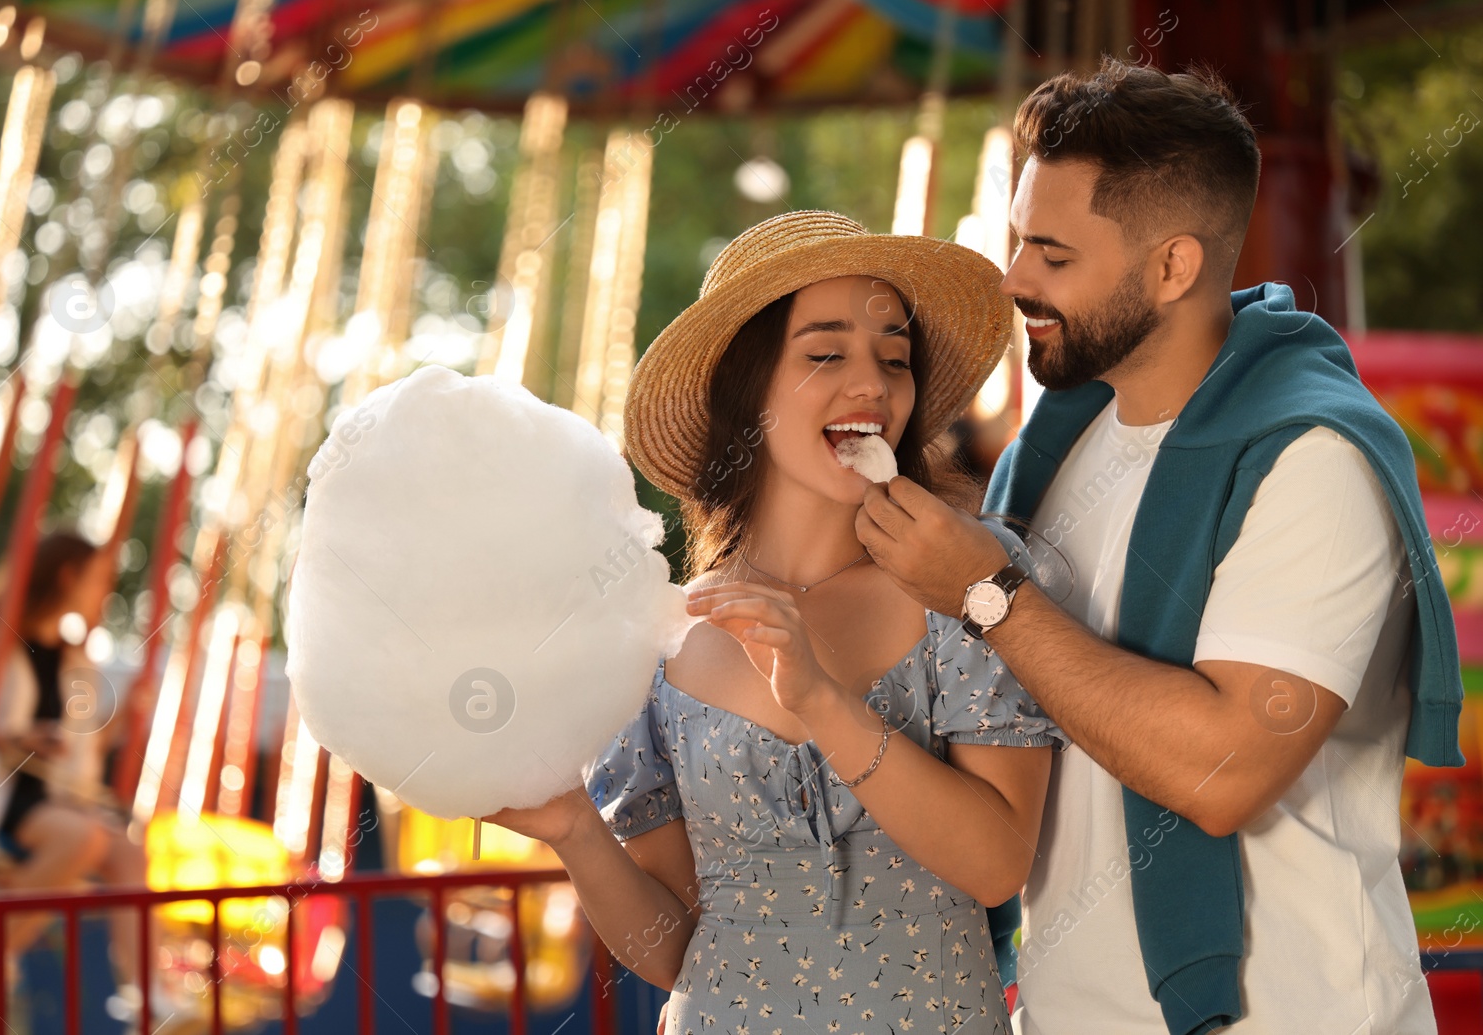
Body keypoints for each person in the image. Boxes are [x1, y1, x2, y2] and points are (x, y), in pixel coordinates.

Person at [853, 57, 1463, 1034]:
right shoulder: (1052, 452)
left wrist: (987, 592)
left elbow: (1220, 771)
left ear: (1172, 266)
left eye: (1051, 254)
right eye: (1018, 241)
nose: (1013, 279)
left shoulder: (1311, 460)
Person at [484, 210, 1068, 1035]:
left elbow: (995, 863)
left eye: (894, 358)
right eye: (825, 353)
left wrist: (822, 700)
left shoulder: (964, 577)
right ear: (747, 391)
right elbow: (672, 947)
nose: (872, 383)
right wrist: (575, 831)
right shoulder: (657, 633)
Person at [0, 529, 157, 1033]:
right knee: (82, 839)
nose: (104, 593)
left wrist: (118, 725)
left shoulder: (70, 659)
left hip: (44, 797)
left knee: (129, 853)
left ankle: (146, 997)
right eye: (98, 580)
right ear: (68, 577)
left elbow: (76, 750)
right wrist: (19, 737)